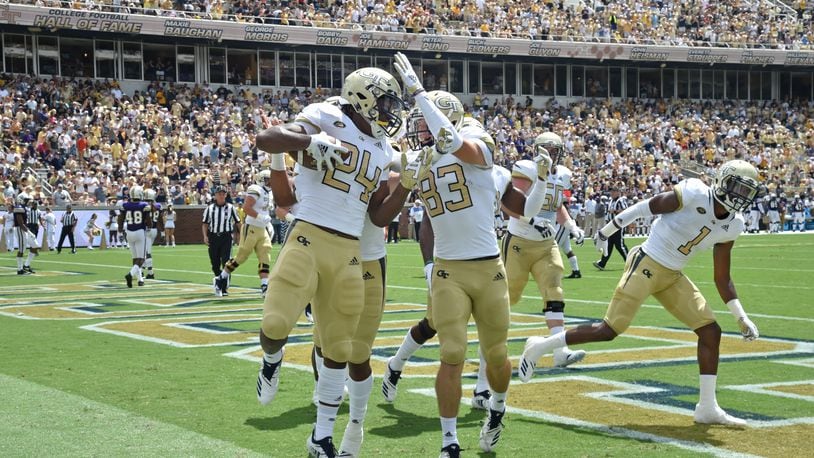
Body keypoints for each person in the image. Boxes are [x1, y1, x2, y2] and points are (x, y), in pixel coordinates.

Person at [519, 160, 762, 426]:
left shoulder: (734, 224)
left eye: (747, 192)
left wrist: (740, 316)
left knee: (710, 331)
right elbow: (646, 207)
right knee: (609, 330)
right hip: (647, 262)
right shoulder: (694, 192)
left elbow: (722, 276)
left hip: (673, 275)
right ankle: (539, 346)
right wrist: (607, 230)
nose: (741, 197)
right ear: (723, 182)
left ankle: (707, 407)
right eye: (738, 188)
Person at [256, 67, 408, 456]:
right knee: (275, 324)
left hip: (350, 251)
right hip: (309, 233)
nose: (390, 111)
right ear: (363, 97)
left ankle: (321, 436)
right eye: (386, 102)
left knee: (339, 349)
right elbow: (266, 139)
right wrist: (308, 141)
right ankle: (271, 361)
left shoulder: (384, 148)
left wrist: (406, 185)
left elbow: (377, 215)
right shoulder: (327, 115)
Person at [390, 54, 532, 456]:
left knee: (497, 354)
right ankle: (449, 440)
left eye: (424, 120)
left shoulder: (479, 146)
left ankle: (497, 410)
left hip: (489, 268)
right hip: (449, 270)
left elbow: (455, 143)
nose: (418, 129)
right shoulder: (420, 159)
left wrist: (419, 92)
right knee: (451, 353)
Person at [501, 151, 586, 366]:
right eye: (549, 147)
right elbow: (506, 203)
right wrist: (530, 221)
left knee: (554, 290)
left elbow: (557, 206)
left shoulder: (563, 175)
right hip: (520, 242)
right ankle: (494, 344)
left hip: (547, 243)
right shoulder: (526, 168)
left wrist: (571, 226)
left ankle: (560, 351)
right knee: (509, 295)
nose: (554, 152)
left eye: (557, 148)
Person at [215, 171, 273, 298]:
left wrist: (268, 223)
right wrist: (260, 217)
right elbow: (247, 208)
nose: (270, 182)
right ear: (261, 180)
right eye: (268, 179)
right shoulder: (256, 189)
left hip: (262, 229)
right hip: (251, 227)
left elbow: (266, 210)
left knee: (265, 255)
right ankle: (220, 278)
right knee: (242, 256)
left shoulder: (269, 193)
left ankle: (264, 286)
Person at [202, 186, 240, 297]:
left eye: (223, 193)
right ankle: (220, 280)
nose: (221, 195)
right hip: (213, 237)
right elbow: (205, 224)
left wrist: (241, 236)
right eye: (219, 194)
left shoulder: (231, 207)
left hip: (226, 237)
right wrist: (205, 236)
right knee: (215, 264)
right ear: (215, 195)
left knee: (226, 262)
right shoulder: (209, 208)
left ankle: (223, 287)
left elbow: (238, 223)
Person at [118, 186, 151, 288]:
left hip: (129, 232)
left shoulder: (125, 205)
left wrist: (120, 232)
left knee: (135, 258)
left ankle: (140, 280)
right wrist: (149, 226)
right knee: (141, 259)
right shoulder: (144, 205)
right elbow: (148, 220)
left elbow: (120, 219)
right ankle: (130, 274)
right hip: (140, 231)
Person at [593, 188, 628, 270]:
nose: (611, 193)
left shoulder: (620, 200)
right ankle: (602, 263)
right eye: (611, 191)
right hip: (611, 225)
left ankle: (630, 262)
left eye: (613, 192)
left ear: (617, 192)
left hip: (618, 225)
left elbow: (626, 210)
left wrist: (615, 211)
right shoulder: (611, 201)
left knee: (620, 245)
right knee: (608, 245)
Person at [12, 199, 40, 275]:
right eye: (28, 200)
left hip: (25, 229)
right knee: (21, 250)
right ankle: (20, 269)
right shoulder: (19, 208)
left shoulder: (25, 208)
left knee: (35, 246)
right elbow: (21, 224)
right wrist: (30, 232)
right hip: (20, 230)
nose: (30, 202)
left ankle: (26, 265)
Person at [143, 189, 163, 279]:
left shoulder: (145, 206)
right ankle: (141, 270)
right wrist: (162, 232)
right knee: (145, 251)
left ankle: (150, 273)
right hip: (154, 230)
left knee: (147, 252)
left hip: (147, 230)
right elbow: (160, 220)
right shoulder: (158, 206)